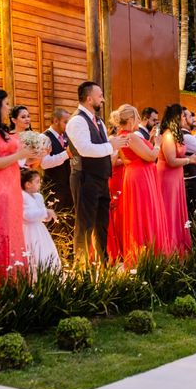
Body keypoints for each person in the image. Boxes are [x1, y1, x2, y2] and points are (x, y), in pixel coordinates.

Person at [66, 81, 128, 261]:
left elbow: (103, 149)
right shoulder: (77, 121)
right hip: (84, 178)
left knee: (102, 224)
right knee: (85, 225)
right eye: (99, 95)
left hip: (101, 179)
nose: (102, 99)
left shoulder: (99, 121)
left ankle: (103, 264)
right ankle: (82, 268)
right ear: (88, 98)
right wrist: (110, 145)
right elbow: (85, 149)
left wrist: (117, 147)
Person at [0, 88, 36, 277]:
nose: (8, 108)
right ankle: (0, 279)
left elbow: (14, 158)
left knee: (14, 230)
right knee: (1, 232)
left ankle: (16, 277)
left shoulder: (1, 130)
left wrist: (30, 156)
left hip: (12, 185)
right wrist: (19, 154)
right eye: (6, 104)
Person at [116, 104, 172, 263]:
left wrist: (150, 140)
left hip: (136, 174)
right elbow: (150, 156)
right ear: (131, 119)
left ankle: (144, 251)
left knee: (141, 212)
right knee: (146, 211)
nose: (138, 121)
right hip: (141, 176)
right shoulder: (130, 136)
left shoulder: (123, 135)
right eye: (137, 118)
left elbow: (134, 155)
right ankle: (149, 253)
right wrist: (158, 143)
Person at [158, 104, 196, 253]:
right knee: (169, 210)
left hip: (177, 176)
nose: (184, 118)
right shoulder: (168, 135)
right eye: (182, 116)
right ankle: (169, 247)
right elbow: (171, 160)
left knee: (177, 210)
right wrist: (191, 160)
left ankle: (179, 246)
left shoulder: (176, 134)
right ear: (176, 117)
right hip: (167, 176)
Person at [21, 169, 61, 271]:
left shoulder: (38, 197)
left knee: (45, 251)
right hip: (29, 230)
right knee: (34, 252)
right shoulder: (22, 196)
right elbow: (26, 215)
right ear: (28, 184)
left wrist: (46, 216)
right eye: (37, 181)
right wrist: (45, 211)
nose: (40, 184)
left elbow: (41, 213)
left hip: (40, 229)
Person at [41, 108, 73, 215]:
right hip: (53, 187)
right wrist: (66, 154)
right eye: (65, 122)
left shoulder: (66, 136)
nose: (68, 125)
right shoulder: (45, 138)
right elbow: (44, 163)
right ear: (55, 121)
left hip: (68, 186)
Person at [106, 111, 126, 262]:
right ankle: (118, 244)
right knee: (117, 209)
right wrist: (126, 161)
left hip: (123, 175)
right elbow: (112, 162)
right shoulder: (113, 140)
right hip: (116, 176)